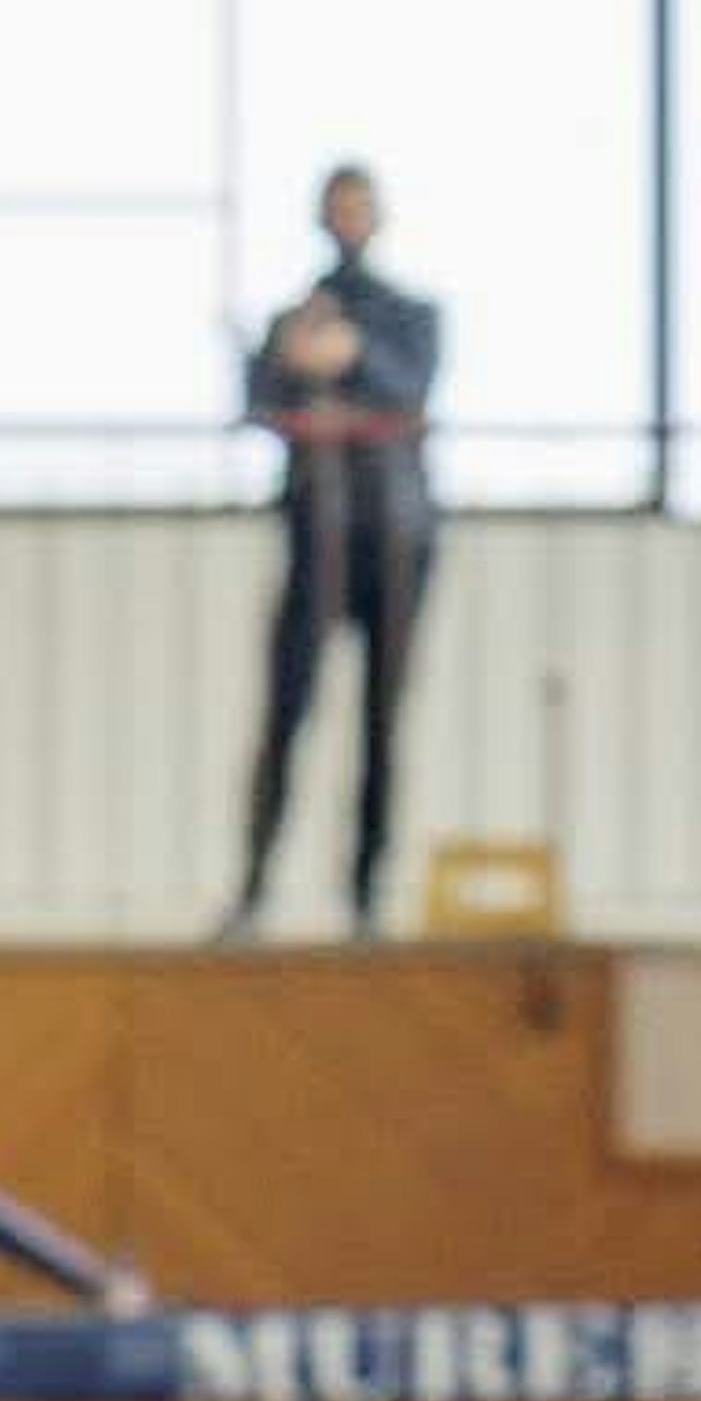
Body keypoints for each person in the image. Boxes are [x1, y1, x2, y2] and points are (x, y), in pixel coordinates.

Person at [222, 161, 441, 944]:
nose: (349, 219)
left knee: (383, 721)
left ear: (377, 216)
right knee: (288, 709)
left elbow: (412, 387)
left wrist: (350, 358)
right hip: (316, 534)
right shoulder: (295, 318)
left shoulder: (411, 317)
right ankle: (253, 890)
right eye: (337, 207)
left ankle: (366, 898)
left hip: (394, 538)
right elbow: (255, 399)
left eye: (360, 207)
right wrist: (292, 355)